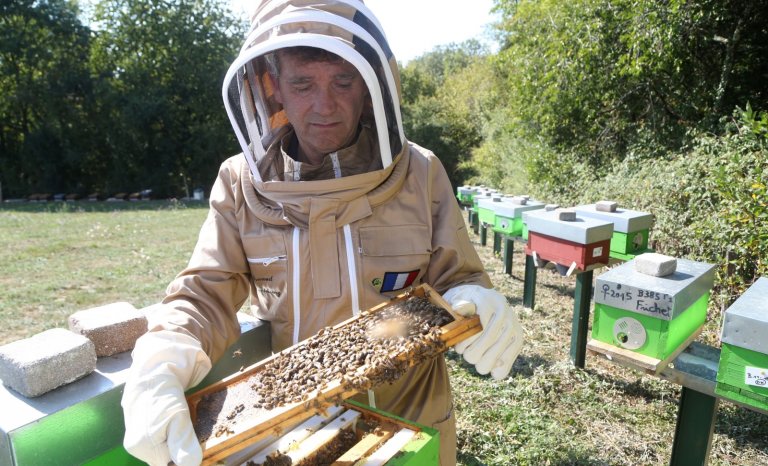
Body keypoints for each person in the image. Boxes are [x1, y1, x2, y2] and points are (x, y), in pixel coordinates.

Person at [120, 1, 524, 465]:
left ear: (371, 84)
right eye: (302, 83)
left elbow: (457, 279)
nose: (325, 105)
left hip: (416, 423)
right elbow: (205, 294)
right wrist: (165, 353)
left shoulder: (420, 171)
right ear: (273, 87)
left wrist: (477, 297)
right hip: (299, 434)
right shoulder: (237, 182)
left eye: (343, 81)